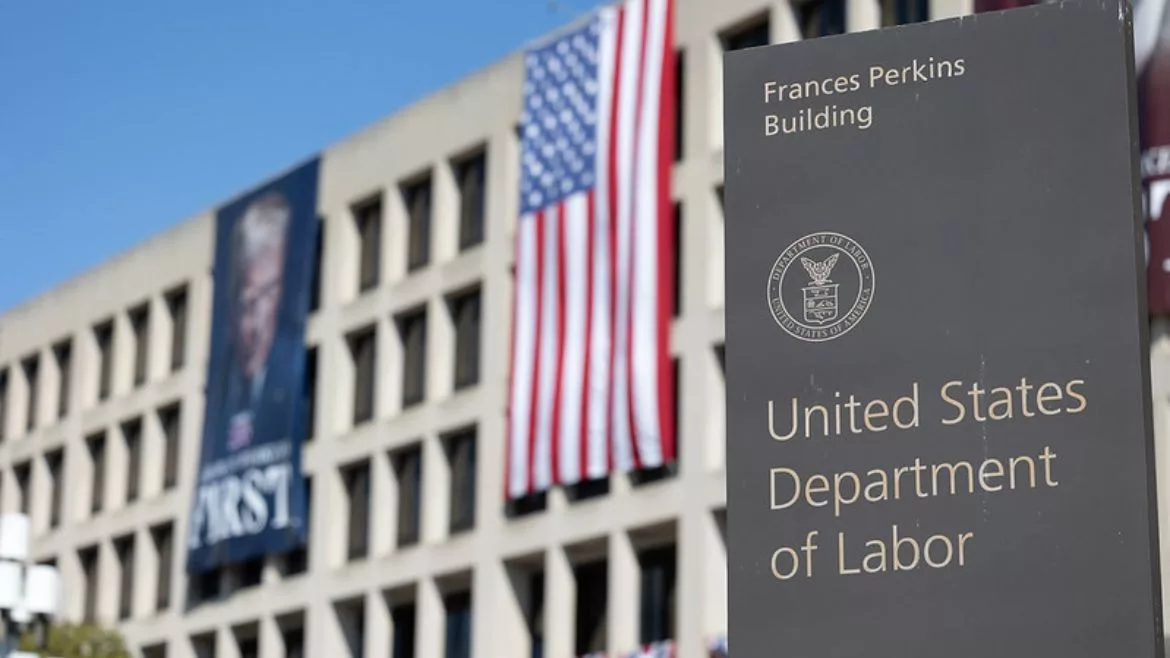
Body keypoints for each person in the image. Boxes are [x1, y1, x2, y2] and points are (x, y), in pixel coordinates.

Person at [222, 192, 293, 453]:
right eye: (246, 303)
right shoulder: (223, 396)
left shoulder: (287, 384)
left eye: (268, 295)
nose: (255, 325)